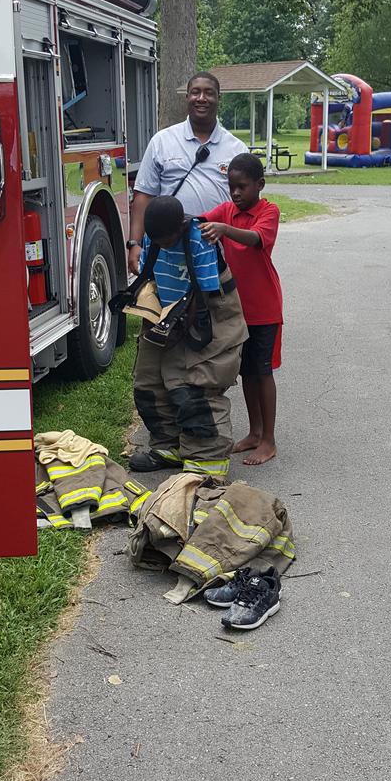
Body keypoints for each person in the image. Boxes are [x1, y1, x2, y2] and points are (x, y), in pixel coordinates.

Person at [128, 195, 247, 477]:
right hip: (166, 313)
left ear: (180, 228)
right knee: (148, 383)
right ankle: (168, 446)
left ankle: (206, 461)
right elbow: (149, 274)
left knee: (194, 386)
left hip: (205, 314)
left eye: (167, 241)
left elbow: (203, 295)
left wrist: (181, 326)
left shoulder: (200, 240)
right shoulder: (155, 239)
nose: (162, 246)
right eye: (156, 241)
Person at [199, 153, 282, 466]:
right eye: (231, 186)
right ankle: (254, 432)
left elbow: (256, 239)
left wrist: (224, 229)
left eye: (242, 187)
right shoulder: (227, 210)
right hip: (237, 310)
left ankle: (269, 440)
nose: (235, 193)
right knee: (246, 371)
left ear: (259, 185)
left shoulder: (268, 211)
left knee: (262, 372)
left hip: (265, 309)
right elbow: (202, 221)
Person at [126, 72, 248, 276]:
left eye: (209, 93)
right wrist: (134, 243)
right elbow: (143, 196)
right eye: (195, 92)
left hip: (220, 255)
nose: (201, 98)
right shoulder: (162, 141)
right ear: (187, 98)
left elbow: (249, 206)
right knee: (170, 307)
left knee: (221, 307)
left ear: (219, 99)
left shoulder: (237, 148)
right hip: (169, 252)